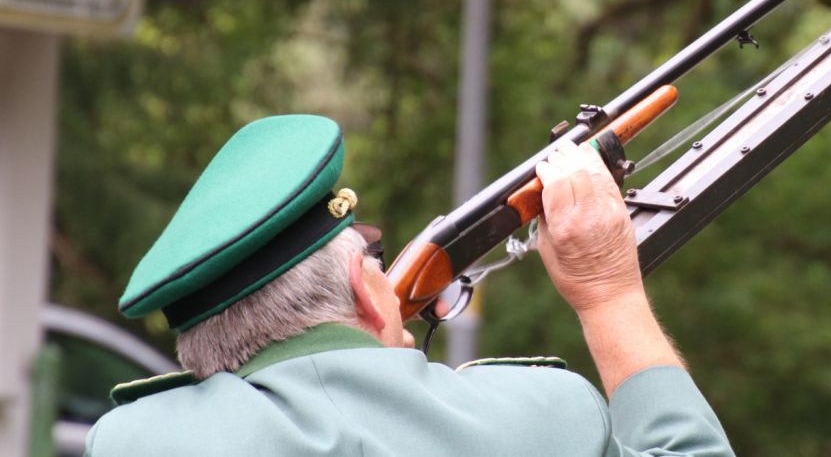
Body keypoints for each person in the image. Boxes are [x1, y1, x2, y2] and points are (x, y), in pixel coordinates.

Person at [86, 115, 733, 456]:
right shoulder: (545, 419)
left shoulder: (136, 442)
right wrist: (607, 291)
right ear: (363, 292)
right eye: (375, 257)